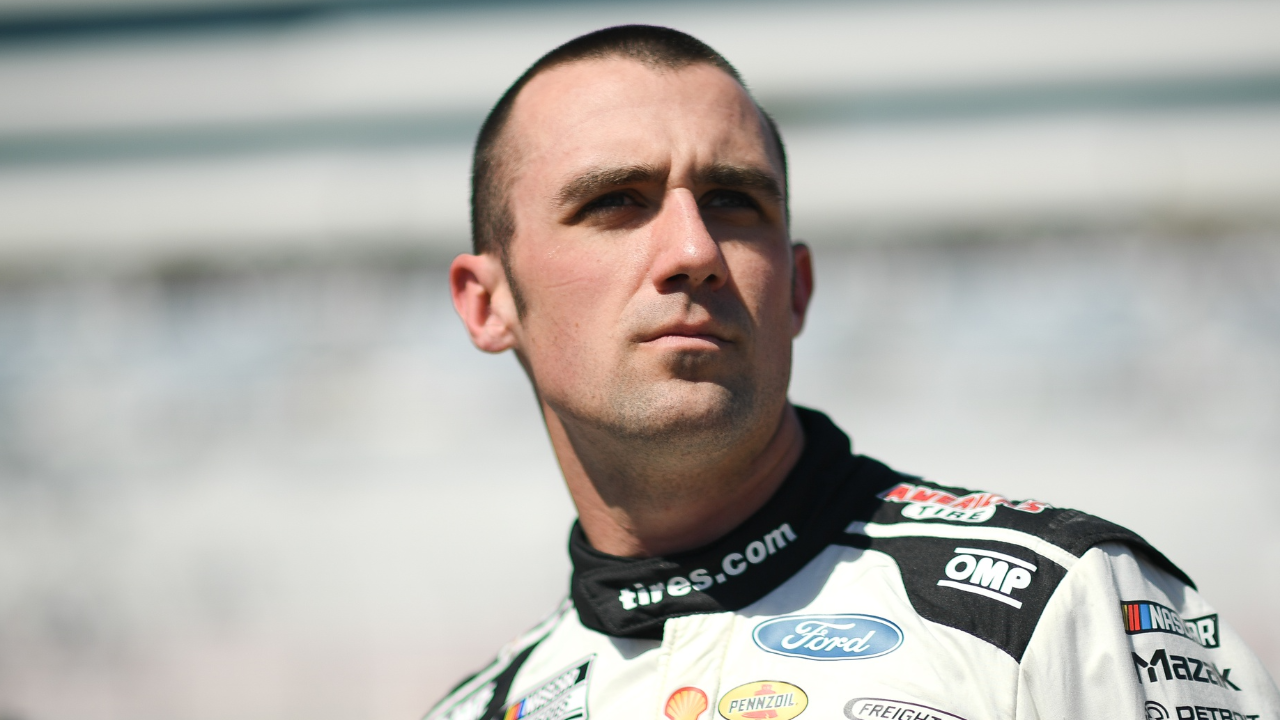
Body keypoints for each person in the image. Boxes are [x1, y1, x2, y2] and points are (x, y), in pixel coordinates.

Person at [432, 24, 1279, 720]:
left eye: (733, 201)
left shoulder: (1062, 609)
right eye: (616, 201)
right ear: (486, 305)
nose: (694, 250)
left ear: (796, 288)